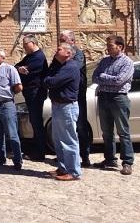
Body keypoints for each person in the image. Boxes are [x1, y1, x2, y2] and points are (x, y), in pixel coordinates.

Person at [92, 35, 135, 175]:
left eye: (110, 45)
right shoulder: (104, 61)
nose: (107, 48)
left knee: (123, 131)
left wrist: (104, 77)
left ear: (120, 47)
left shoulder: (127, 62)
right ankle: (110, 158)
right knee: (106, 131)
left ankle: (127, 162)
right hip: (104, 97)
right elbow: (94, 77)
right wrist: (105, 78)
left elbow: (119, 80)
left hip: (119, 98)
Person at [43, 43, 81, 181]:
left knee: (69, 140)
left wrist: (48, 79)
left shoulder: (70, 67)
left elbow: (51, 82)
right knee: (58, 140)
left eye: (59, 49)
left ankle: (73, 171)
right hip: (57, 105)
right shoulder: (59, 66)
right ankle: (63, 167)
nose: (56, 51)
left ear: (68, 53)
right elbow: (48, 77)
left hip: (67, 107)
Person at [60, 30, 91, 167]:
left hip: (77, 96)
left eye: (63, 40)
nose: (61, 43)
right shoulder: (60, 55)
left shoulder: (78, 55)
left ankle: (85, 157)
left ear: (72, 41)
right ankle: (67, 157)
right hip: (65, 96)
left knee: (80, 126)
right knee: (66, 128)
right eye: (60, 40)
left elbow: (72, 71)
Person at [15, 34, 48, 161]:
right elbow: (16, 67)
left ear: (33, 43)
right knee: (34, 122)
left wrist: (21, 70)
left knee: (36, 122)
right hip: (29, 93)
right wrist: (19, 69)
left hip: (36, 93)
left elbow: (27, 71)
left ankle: (40, 152)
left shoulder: (39, 57)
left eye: (25, 44)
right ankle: (36, 150)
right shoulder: (29, 56)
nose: (23, 47)